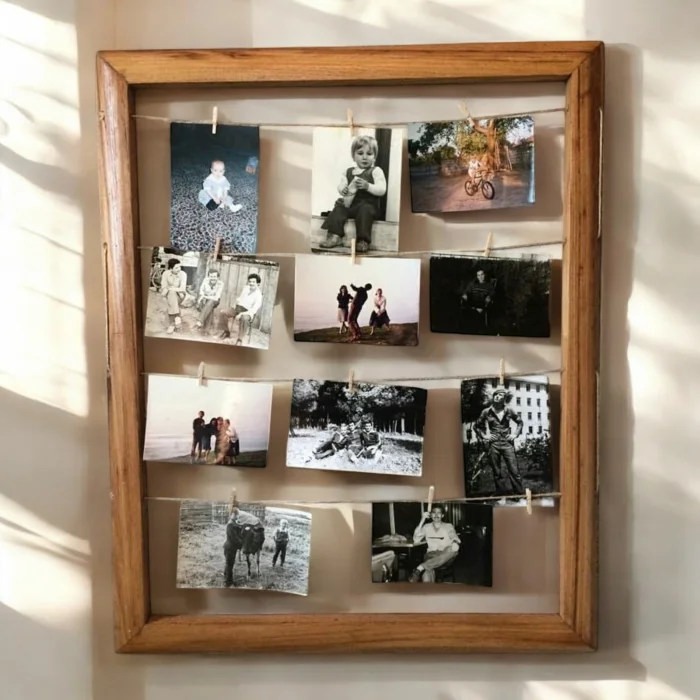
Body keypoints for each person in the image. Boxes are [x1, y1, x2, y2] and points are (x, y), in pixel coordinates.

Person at [319, 135, 387, 253]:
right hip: (351, 205)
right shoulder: (348, 172)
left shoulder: (376, 171)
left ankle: (363, 240)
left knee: (365, 211)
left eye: (369, 154)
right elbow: (341, 185)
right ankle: (335, 236)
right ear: (353, 156)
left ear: (374, 157)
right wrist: (343, 189)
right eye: (360, 153)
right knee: (339, 208)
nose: (364, 157)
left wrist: (368, 186)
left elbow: (382, 189)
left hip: (368, 205)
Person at [474, 385, 524, 495]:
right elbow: (476, 426)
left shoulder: (509, 410)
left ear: (504, 399)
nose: (497, 396)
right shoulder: (486, 412)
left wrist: (515, 434)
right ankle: (501, 493)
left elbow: (520, 422)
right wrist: (485, 436)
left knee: (514, 471)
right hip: (494, 444)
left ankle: (519, 494)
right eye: (495, 394)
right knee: (497, 472)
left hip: (507, 443)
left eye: (500, 395)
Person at [408, 506, 461, 583]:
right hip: (431, 555)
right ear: (431, 515)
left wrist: (455, 542)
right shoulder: (426, 527)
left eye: (439, 513)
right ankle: (428, 588)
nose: (436, 515)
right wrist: (422, 519)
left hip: (445, 556)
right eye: (434, 513)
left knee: (453, 549)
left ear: (442, 515)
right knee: (428, 571)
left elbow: (454, 536)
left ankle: (420, 568)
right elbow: (416, 539)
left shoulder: (448, 526)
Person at [219, 273, 263, 346]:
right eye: (250, 281)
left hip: (248, 312)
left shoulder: (259, 295)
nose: (251, 283)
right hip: (238, 308)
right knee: (223, 312)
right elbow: (240, 298)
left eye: (253, 282)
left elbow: (253, 310)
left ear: (258, 283)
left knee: (244, 318)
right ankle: (227, 332)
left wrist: (241, 314)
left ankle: (240, 339)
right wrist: (234, 304)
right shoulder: (246, 288)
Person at [160, 258, 188, 334]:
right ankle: (177, 319)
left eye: (180, 267)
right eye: (176, 268)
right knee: (171, 294)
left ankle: (171, 325)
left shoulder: (183, 274)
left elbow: (182, 289)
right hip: (169, 295)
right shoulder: (165, 273)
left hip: (180, 295)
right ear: (171, 268)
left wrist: (173, 288)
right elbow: (163, 287)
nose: (179, 269)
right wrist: (170, 290)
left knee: (172, 295)